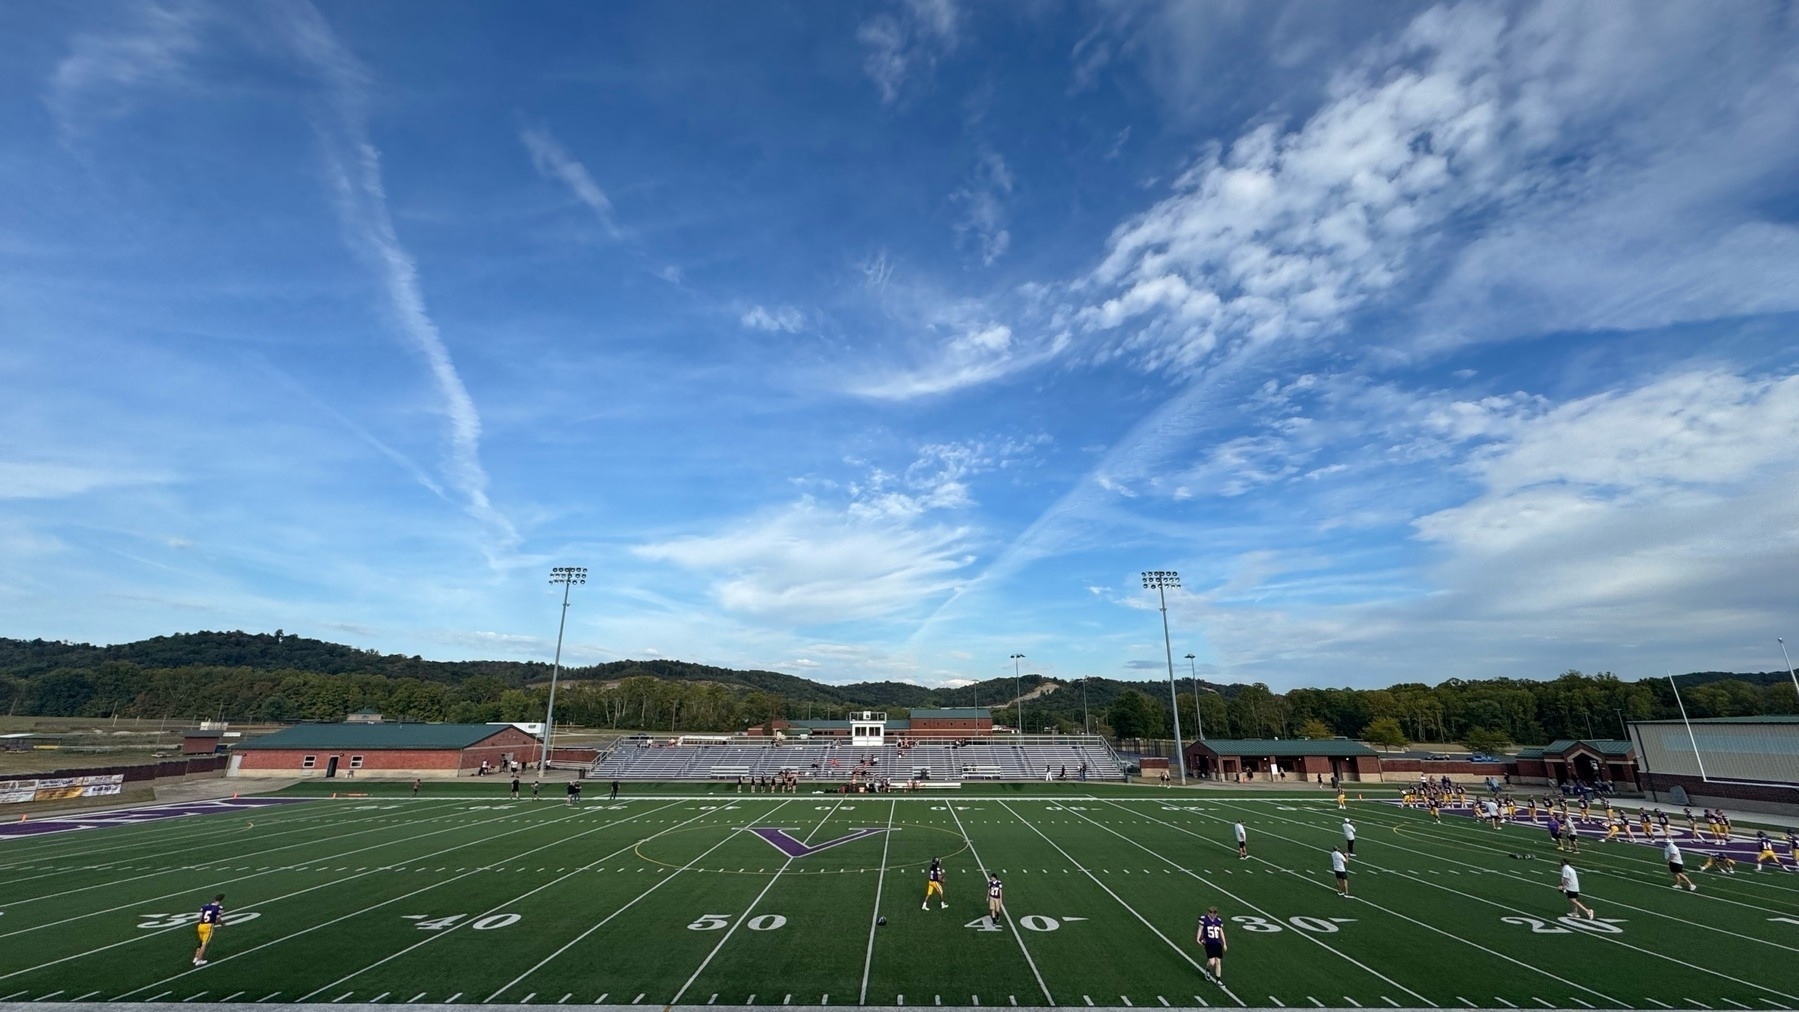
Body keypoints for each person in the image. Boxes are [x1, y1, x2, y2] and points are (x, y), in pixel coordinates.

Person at [192, 893, 225, 966]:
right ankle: (199, 960)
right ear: (221, 900)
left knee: (200, 942)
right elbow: (218, 918)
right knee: (204, 944)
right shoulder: (219, 908)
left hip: (200, 925)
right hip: (208, 926)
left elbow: (200, 917)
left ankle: (196, 957)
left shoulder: (206, 906)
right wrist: (222, 924)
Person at [1197, 905, 1227, 984]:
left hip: (1217, 943)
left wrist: (1224, 943)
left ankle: (1218, 979)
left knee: (1218, 961)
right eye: (1211, 912)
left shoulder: (1218, 921)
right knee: (1212, 962)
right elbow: (1200, 929)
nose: (1213, 914)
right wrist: (1198, 938)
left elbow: (1221, 932)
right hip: (1208, 942)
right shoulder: (1204, 919)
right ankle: (1207, 969)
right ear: (1209, 912)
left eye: (1214, 913)